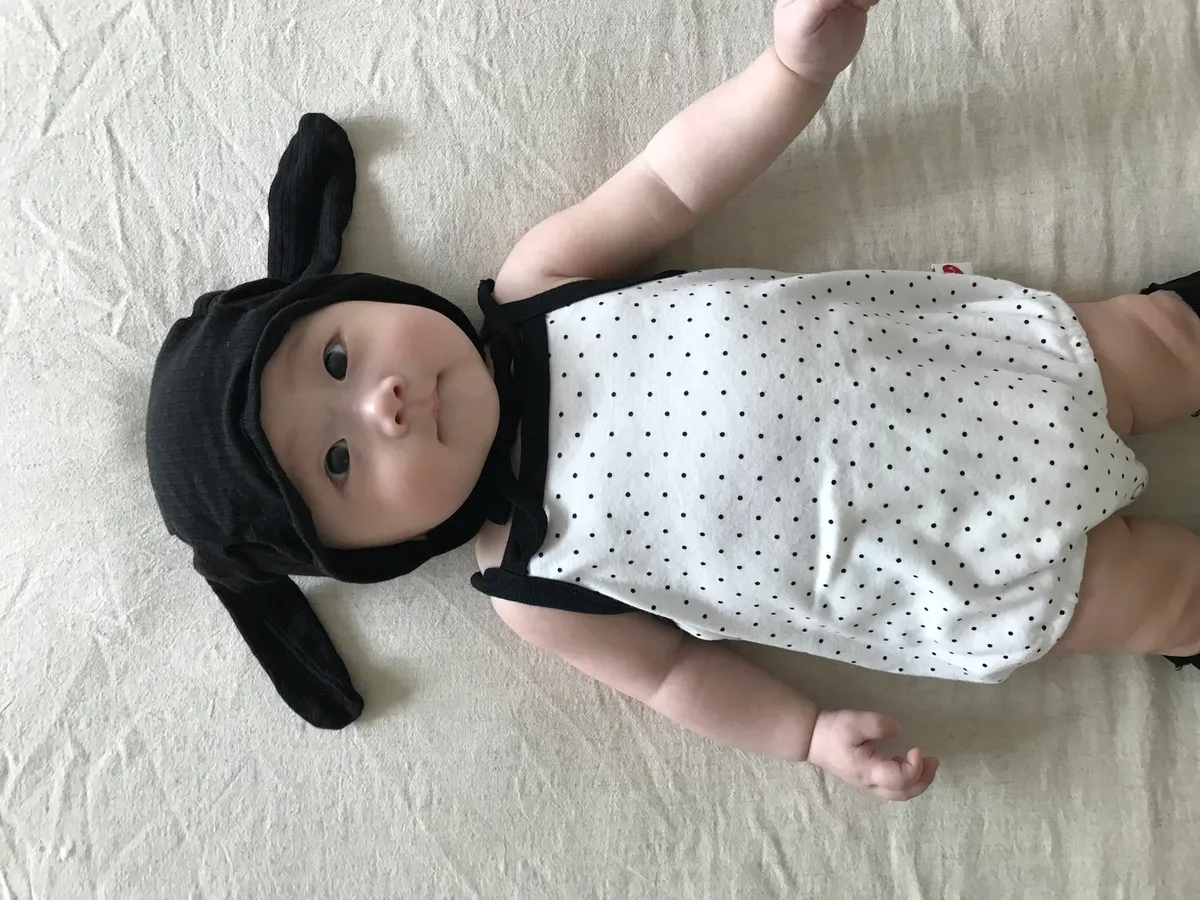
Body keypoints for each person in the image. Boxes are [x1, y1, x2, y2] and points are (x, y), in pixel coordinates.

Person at [145, 0, 1200, 802]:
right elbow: (674, 677)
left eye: (335, 358)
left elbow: (672, 181)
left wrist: (791, 70)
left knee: (1165, 343)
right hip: (940, 563)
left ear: (348, 295)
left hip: (965, 376)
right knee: (1172, 599)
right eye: (338, 465)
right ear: (373, 555)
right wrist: (805, 736)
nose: (378, 406)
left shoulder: (541, 285)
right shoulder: (530, 584)